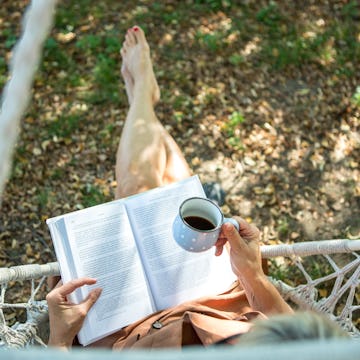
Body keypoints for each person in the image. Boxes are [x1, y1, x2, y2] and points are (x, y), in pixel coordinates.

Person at [45, 26, 343, 350]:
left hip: (135, 332)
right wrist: (253, 275)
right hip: (224, 308)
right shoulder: (307, 352)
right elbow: (296, 336)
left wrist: (58, 338)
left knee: (141, 188)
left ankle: (143, 97)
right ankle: (143, 100)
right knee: (172, 200)